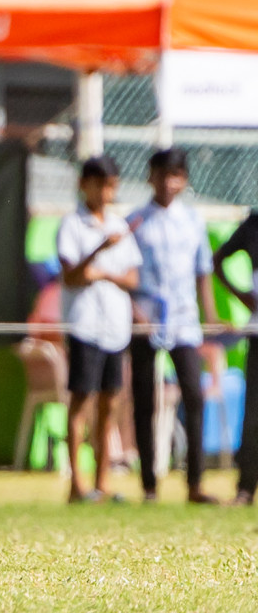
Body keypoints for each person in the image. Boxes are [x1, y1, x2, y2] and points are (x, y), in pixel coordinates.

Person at [126, 147, 218, 504]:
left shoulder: (193, 221)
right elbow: (126, 275)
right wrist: (135, 313)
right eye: (162, 175)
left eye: (175, 175)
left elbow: (203, 272)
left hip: (183, 319)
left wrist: (209, 318)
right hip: (146, 319)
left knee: (194, 396)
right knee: (144, 401)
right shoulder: (135, 221)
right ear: (150, 177)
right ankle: (149, 484)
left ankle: (195, 482)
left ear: (184, 180)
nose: (168, 182)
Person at [57, 155, 141, 504]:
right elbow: (72, 275)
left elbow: (132, 278)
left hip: (115, 327)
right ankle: (77, 485)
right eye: (99, 184)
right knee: (81, 402)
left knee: (110, 404)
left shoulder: (119, 225)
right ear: (84, 184)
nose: (105, 192)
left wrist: (104, 273)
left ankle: (102, 481)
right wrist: (99, 251)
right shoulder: (72, 225)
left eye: (111, 186)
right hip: (84, 325)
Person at [214, 209, 258, 505]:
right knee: (253, 413)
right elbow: (217, 259)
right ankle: (246, 487)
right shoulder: (253, 224)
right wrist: (241, 295)